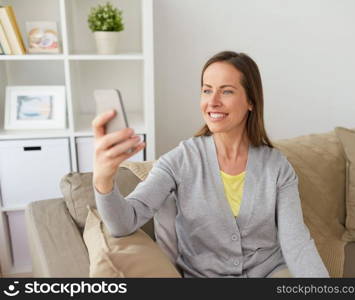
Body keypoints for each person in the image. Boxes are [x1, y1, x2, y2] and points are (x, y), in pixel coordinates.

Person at [92, 51, 329, 278]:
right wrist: (103, 178)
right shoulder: (179, 161)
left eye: (226, 92)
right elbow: (124, 222)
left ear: (251, 101)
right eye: (206, 91)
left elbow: (296, 243)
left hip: (270, 272)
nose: (212, 101)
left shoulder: (277, 166)